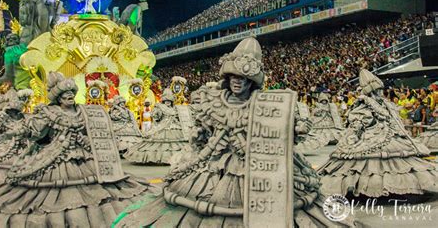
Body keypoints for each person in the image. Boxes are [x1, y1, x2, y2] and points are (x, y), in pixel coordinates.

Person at [115, 37, 355, 227]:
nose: (238, 82)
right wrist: (200, 135)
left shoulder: (266, 104)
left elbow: (281, 137)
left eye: (244, 78)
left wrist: (296, 130)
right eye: (233, 77)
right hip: (216, 166)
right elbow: (203, 134)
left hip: (259, 165)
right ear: (226, 77)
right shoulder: (212, 101)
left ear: (253, 81)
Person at [0, 72, 157, 227]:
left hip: (85, 158)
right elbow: (34, 133)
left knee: (103, 193)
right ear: (58, 97)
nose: (69, 95)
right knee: (54, 198)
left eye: (71, 92)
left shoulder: (84, 111)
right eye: (65, 93)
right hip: (55, 161)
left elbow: (95, 132)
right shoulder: (49, 113)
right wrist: (13, 129)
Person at [318, 69, 438, 197]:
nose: (379, 93)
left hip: (390, 135)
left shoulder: (386, 104)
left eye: (380, 90)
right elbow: (358, 122)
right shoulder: (363, 104)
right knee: (371, 163)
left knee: (398, 159)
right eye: (377, 91)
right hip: (372, 136)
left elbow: (394, 118)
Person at [123, 89, 189, 165]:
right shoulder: (160, 107)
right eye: (166, 100)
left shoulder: (175, 108)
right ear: (163, 101)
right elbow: (156, 117)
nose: (167, 102)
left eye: (169, 101)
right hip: (163, 126)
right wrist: (156, 113)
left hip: (174, 126)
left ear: (171, 102)